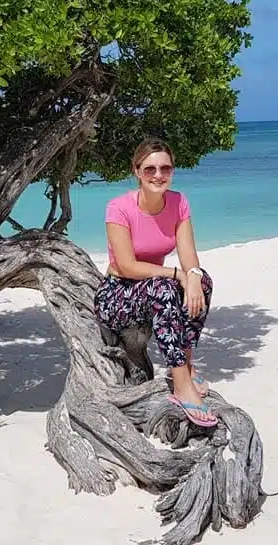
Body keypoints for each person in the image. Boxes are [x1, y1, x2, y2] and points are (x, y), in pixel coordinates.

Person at [94, 137, 216, 427]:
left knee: (203, 282)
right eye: (149, 169)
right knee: (166, 288)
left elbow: (188, 255)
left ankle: (185, 364)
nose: (158, 175)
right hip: (117, 295)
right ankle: (181, 383)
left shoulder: (178, 202)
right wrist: (177, 275)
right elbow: (126, 265)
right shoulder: (118, 208)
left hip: (154, 287)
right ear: (136, 171)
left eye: (165, 168)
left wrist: (194, 276)